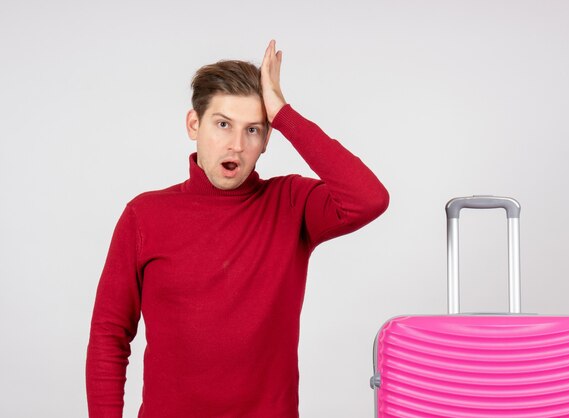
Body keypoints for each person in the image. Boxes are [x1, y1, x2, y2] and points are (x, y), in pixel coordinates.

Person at [86, 40, 389, 418]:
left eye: (253, 130)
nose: (235, 144)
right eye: (223, 124)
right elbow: (108, 335)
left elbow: (369, 198)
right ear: (194, 124)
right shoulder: (144, 215)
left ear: (266, 140)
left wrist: (284, 114)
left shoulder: (291, 203)